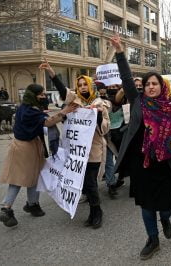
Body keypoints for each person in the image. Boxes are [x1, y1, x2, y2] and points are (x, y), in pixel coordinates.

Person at [111, 34, 171, 260]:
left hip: (164, 165)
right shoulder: (138, 102)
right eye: (147, 84)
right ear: (143, 88)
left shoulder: (170, 109)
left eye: (155, 83)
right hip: (141, 163)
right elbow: (126, 77)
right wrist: (119, 53)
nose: (151, 87)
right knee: (146, 206)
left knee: (166, 206)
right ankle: (152, 239)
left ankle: (165, 218)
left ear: (162, 86)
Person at [40, 60, 110, 229]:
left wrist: (98, 116)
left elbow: (106, 128)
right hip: (76, 153)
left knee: (91, 183)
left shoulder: (100, 104)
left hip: (93, 151)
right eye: (80, 85)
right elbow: (62, 90)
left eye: (85, 84)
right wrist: (51, 73)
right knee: (85, 184)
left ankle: (97, 212)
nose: (83, 87)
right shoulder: (74, 101)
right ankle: (94, 212)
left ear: (90, 86)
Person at [0, 84, 77, 227]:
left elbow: (42, 118)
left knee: (24, 177)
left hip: (19, 145)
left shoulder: (24, 107)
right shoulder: (31, 111)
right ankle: (11, 207)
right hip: (27, 148)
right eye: (41, 94)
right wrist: (65, 111)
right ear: (33, 95)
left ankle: (27, 205)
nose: (44, 97)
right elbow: (48, 122)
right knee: (29, 177)